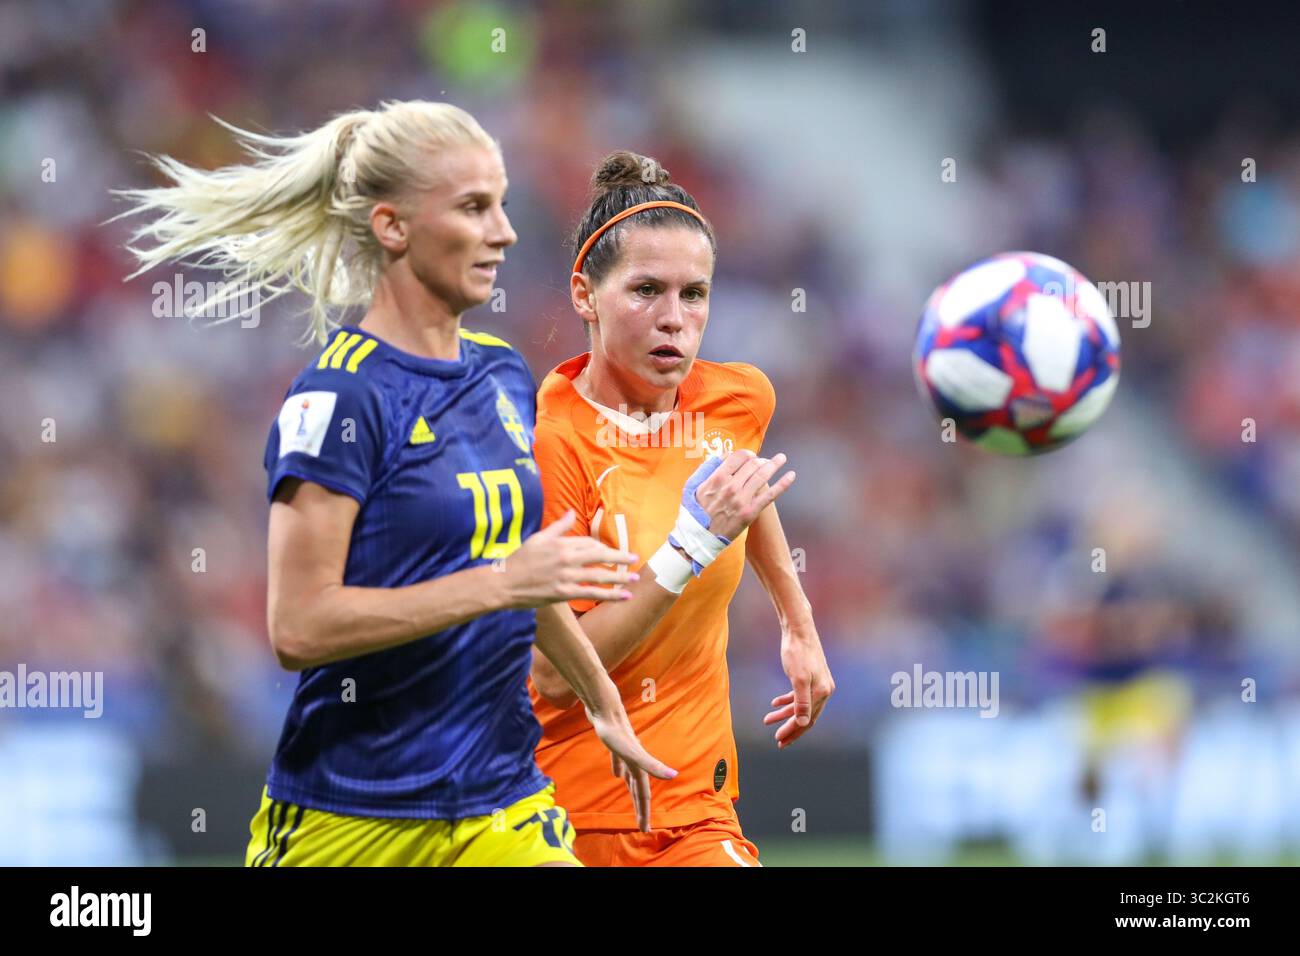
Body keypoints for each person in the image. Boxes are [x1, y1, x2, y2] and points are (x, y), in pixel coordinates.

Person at [114, 102, 674, 867]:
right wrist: (502, 582)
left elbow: (520, 576)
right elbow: (299, 627)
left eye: (502, 204)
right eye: (474, 208)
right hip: (349, 821)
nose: (504, 232)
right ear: (392, 227)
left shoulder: (502, 375)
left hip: (499, 806)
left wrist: (603, 703)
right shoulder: (340, 399)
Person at [528, 151, 835, 866]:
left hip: (700, 809)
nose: (674, 319)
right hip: (569, 816)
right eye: (645, 291)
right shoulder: (552, 446)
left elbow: (744, 496)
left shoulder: (737, 399)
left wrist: (798, 621)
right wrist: (691, 543)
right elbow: (550, 674)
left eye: (694, 293)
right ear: (584, 294)